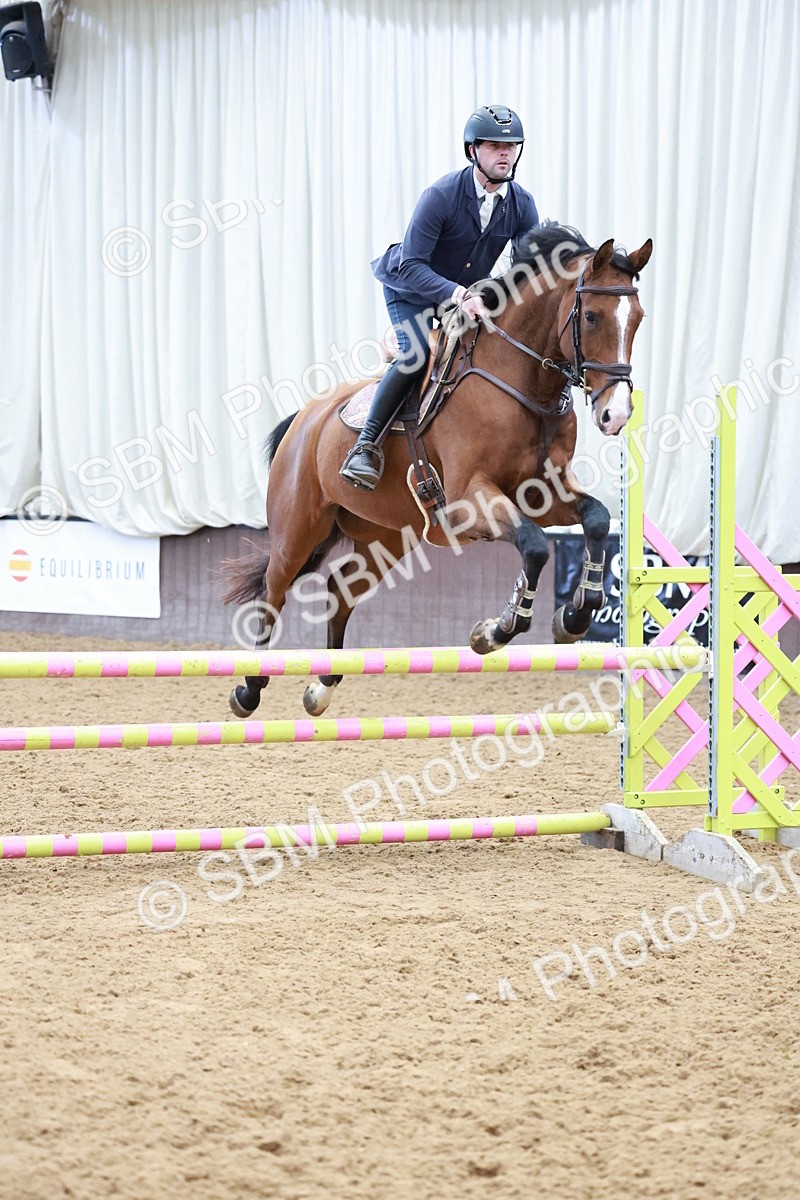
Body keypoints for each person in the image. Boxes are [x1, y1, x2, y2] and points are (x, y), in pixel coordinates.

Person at [340, 104, 539, 490]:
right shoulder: (441, 196)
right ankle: (365, 448)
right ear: (472, 151)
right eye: (495, 145)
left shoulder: (522, 204)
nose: (505, 153)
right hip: (410, 287)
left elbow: (528, 270)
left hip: (461, 294)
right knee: (416, 357)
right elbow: (413, 264)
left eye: (512, 146)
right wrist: (460, 294)